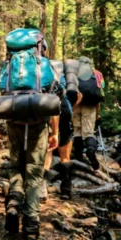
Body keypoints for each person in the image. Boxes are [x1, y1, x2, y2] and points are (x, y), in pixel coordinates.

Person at [0, 28, 61, 240]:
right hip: (37, 123)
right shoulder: (44, 65)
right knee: (34, 173)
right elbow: (55, 101)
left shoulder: (9, 64)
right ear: (40, 46)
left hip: (14, 120)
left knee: (16, 165)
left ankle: (14, 202)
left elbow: (1, 90)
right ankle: (31, 226)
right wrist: (55, 132)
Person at [43, 60, 82, 200]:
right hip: (65, 110)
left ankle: (43, 188)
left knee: (48, 149)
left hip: (47, 108)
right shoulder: (65, 78)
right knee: (65, 156)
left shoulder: (41, 77)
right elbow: (79, 96)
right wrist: (71, 109)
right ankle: (66, 189)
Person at [73, 56, 105, 170]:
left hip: (75, 104)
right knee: (88, 132)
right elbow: (100, 93)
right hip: (90, 106)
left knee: (77, 131)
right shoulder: (97, 73)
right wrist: (97, 114)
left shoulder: (73, 72)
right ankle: (91, 152)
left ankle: (78, 157)